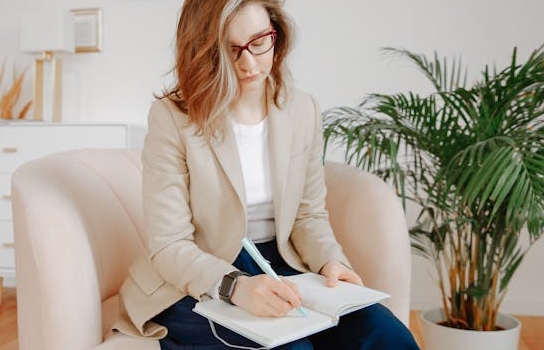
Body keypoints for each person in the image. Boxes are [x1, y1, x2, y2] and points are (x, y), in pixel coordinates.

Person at [113, 0, 421, 349]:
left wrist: (330, 262)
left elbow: (308, 215)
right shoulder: (172, 117)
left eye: (259, 42)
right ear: (204, 52)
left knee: (391, 337)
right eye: (230, 50)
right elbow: (169, 244)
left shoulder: (302, 109)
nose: (248, 63)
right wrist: (237, 286)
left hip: (283, 264)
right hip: (197, 276)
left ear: (277, 34)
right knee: (292, 346)